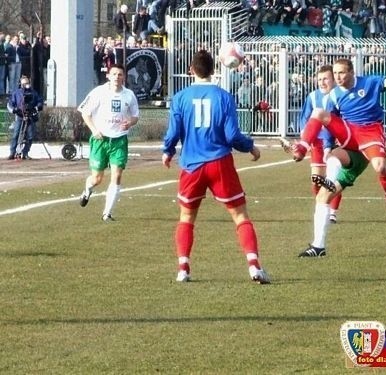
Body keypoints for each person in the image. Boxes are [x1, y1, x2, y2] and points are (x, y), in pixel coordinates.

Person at [161, 49, 270, 284]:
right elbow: (232, 135)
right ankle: (254, 266)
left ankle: (183, 269)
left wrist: (168, 151)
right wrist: (250, 146)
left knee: (186, 217)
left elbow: (173, 133)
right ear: (213, 70)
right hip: (220, 162)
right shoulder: (223, 97)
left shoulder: (180, 98)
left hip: (192, 165)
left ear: (191, 70)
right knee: (240, 215)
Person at [300, 58, 386, 220]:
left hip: (370, 131)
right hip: (349, 132)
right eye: (336, 73)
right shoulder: (333, 95)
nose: (338, 77)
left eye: (342, 73)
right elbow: (330, 122)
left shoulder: (371, 83)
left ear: (352, 72)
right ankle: (304, 151)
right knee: (320, 116)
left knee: (380, 167)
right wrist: (327, 146)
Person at [77, 63, 140, 221]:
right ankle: (87, 190)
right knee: (97, 178)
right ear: (108, 76)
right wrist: (94, 130)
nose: (117, 77)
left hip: (119, 140)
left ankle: (107, 213)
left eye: (120, 75)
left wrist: (130, 123)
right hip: (100, 140)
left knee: (117, 174)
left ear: (124, 77)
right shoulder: (99, 92)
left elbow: (135, 116)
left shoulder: (129, 95)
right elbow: (85, 113)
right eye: (114, 74)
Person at [298, 64, 343, 224]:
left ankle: (332, 212)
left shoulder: (340, 95)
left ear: (333, 80)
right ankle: (321, 205)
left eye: (325, 79)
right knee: (317, 178)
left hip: (336, 142)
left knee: (334, 178)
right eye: (319, 79)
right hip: (317, 143)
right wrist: (305, 137)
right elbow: (304, 119)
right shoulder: (312, 97)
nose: (322, 82)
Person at [6, 75, 43, 160]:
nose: (27, 85)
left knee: (30, 136)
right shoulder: (16, 93)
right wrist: (15, 110)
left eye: (28, 83)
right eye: (25, 83)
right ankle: (12, 152)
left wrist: (36, 108)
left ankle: (25, 153)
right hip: (20, 116)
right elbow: (10, 104)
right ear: (21, 84)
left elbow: (39, 101)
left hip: (30, 116)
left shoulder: (34, 93)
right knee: (16, 134)